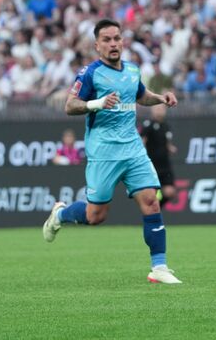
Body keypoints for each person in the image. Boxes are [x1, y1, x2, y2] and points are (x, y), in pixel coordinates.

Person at [42, 18, 182, 284]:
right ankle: (59, 214)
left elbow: (141, 95)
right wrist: (97, 103)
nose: (113, 43)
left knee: (151, 200)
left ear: (123, 41)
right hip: (103, 150)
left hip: (132, 149)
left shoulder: (132, 70)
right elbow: (70, 106)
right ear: (97, 46)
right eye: (106, 40)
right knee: (96, 216)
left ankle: (159, 267)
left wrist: (161, 98)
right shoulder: (90, 73)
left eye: (117, 38)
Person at [140, 104, 177, 207]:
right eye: (157, 109)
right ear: (152, 110)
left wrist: (170, 148)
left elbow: (168, 143)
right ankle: (153, 209)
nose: (159, 111)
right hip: (152, 165)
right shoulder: (148, 125)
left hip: (164, 164)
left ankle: (156, 207)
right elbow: (142, 142)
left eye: (161, 109)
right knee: (152, 194)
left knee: (170, 192)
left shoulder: (166, 126)